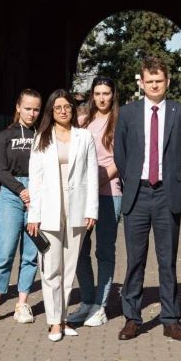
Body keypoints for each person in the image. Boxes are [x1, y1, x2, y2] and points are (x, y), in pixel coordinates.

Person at [114, 56, 181, 342]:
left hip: (166, 194)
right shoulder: (128, 113)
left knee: (167, 260)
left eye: (159, 80)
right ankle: (132, 318)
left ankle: (171, 319)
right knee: (135, 260)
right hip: (137, 195)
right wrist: (132, 179)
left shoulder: (180, 113)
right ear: (142, 82)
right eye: (149, 81)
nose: (154, 85)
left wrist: (174, 178)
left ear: (167, 81)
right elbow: (120, 153)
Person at [26, 89, 98, 341]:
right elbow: (35, 179)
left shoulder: (84, 136)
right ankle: (53, 322)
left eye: (67, 106)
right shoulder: (42, 138)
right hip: (48, 209)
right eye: (58, 107)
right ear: (51, 111)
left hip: (76, 208)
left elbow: (91, 174)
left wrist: (92, 209)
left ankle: (64, 318)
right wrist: (33, 215)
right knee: (50, 267)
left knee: (69, 268)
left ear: (73, 109)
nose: (63, 111)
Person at [0, 89, 41, 325]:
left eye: (36, 109)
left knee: (30, 254)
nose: (32, 113)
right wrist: (20, 190)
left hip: (37, 195)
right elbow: (0, 170)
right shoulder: (5, 136)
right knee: (5, 251)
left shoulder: (42, 136)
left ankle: (22, 304)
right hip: (10, 194)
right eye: (27, 108)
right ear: (18, 107)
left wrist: (35, 192)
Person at [70, 77, 122, 327]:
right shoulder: (82, 122)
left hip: (110, 191)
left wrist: (99, 179)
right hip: (83, 194)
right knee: (79, 247)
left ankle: (101, 306)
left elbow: (121, 158)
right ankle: (87, 300)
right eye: (98, 93)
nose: (102, 98)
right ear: (92, 95)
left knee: (104, 250)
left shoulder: (119, 122)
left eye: (106, 93)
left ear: (113, 95)